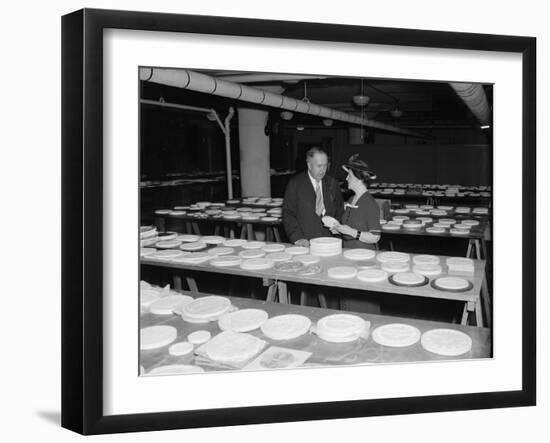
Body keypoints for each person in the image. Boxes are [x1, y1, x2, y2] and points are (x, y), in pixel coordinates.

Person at [282, 147, 344, 246]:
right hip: (305, 240)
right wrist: (297, 238)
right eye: (319, 166)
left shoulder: (333, 183)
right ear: (309, 165)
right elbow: (288, 214)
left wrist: (338, 227)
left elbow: (340, 210)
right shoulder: (295, 183)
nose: (323, 170)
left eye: (325, 166)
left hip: (329, 241)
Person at [332, 154, 381, 249]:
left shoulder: (370, 204)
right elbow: (350, 226)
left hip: (362, 253)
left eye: (349, 175)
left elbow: (375, 237)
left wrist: (351, 232)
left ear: (359, 179)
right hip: (347, 249)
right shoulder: (351, 199)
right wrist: (339, 229)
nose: (346, 178)